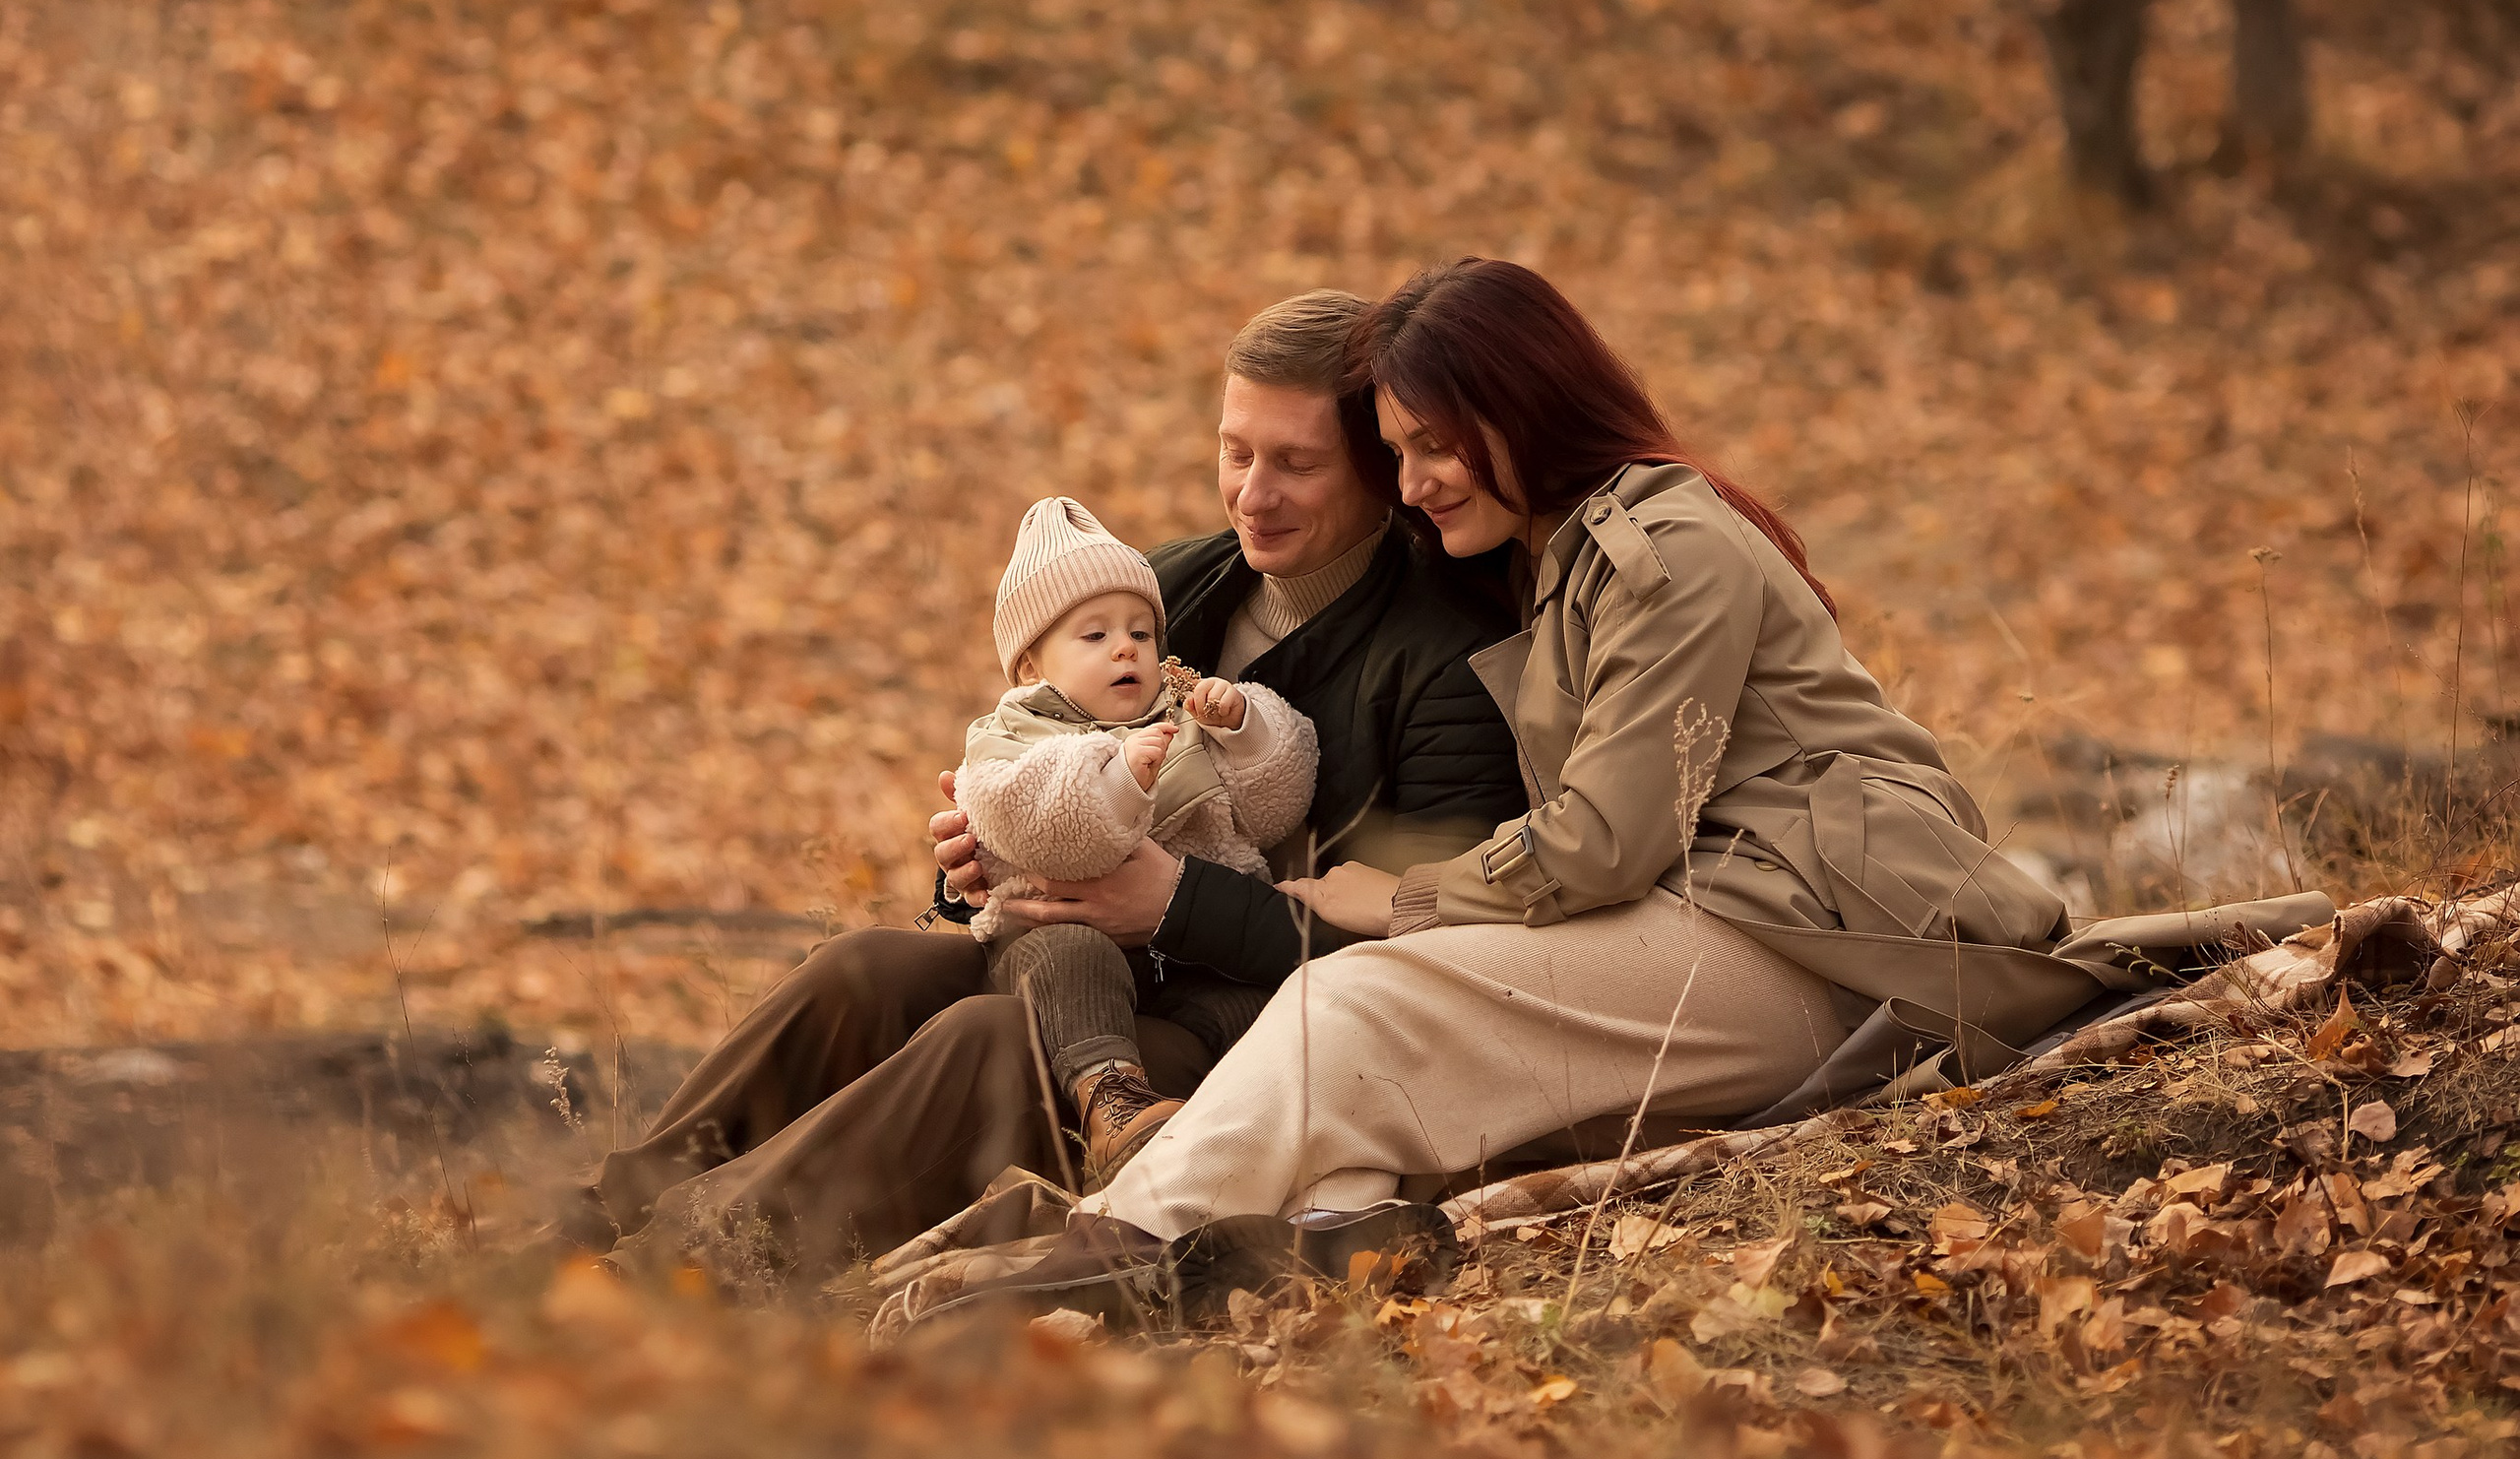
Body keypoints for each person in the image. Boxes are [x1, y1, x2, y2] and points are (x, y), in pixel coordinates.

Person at [902, 259, 2086, 1301]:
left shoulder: (1666, 550)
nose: (1413, 482)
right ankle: (1281, 1249)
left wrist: (1398, 900)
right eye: (1399, 452)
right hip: (1712, 918)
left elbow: (1606, 841)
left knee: (1356, 1001)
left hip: (1805, 939)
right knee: (1389, 1087)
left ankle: (1097, 1256)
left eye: (1433, 446)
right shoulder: (1555, 556)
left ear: (1523, 410)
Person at [591, 286, 1526, 1270]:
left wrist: (1174, 905)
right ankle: (590, 1219)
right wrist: (977, 867)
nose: (1253, 494)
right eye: (1234, 451)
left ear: (1379, 470)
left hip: (1247, 1024)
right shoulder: (1165, 591)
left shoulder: (1445, 665)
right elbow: (1037, 752)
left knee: (997, 1048)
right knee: (864, 970)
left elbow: (1427, 953)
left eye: (1296, 463)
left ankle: (687, 1270)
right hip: (1077, 955)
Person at [957, 495, 1317, 1175]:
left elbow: (1272, 807)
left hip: (1186, 954)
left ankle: (1266, 1126)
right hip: (1062, 943)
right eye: (1093, 637)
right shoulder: (1009, 738)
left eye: (1140, 634)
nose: (1125, 648)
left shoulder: (1179, 716)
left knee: (1250, 1002)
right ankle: (1111, 1100)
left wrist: (1243, 730)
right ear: (1033, 666)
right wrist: (1120, 780)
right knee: (1071, 961)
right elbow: (1049, 829)